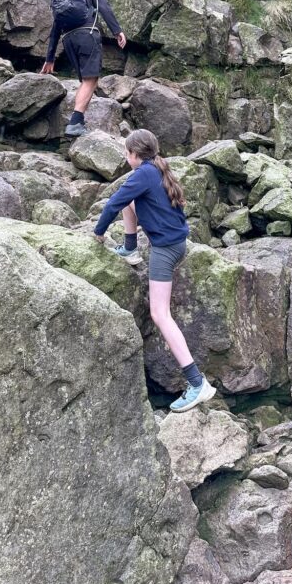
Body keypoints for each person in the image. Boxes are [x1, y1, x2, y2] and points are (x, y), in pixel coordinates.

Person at [93, 128, 216, 413]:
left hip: (165, 249)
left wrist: (99, 232)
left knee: (160, 314)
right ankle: (130, 248)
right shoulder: (155, 168)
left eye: (127, 153)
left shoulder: (142, 174)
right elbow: (123, 200)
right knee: (129, 198)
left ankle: (197, 383)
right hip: (177, 242)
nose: (126, 157)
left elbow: (111, 203)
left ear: (135, 155)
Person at [41, 0, 126, 137]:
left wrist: (50, 58)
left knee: (87, 80)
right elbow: (103, 6)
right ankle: (75, 122)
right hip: (87, 34)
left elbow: (56, 26)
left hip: (68, 39)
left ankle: (77, 121)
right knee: (90, 80)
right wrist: (117, 31)